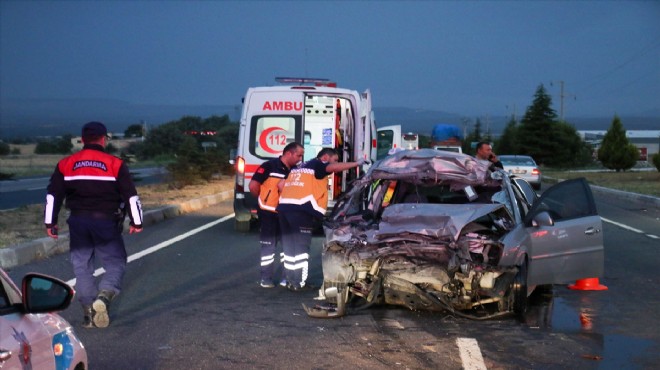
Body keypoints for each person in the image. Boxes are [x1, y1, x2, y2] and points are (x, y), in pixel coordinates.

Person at [44, 121, 143, 329]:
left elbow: (53, 196)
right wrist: (137, 221)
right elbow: (131, 196)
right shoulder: (115, 164)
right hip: (105, 221)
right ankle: (105, 294)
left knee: (82, 267)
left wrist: (50, 222)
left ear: (83, 140)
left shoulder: (66, 164)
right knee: (115, 262)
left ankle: (88, 314)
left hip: (78, 221)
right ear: (103, 139)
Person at [276, 148, 365, 291]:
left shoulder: (299, 167)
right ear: (325, 157)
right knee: (301, 248)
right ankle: (298, 283)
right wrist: (355, 164)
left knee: (289, 247)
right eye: (335, 159)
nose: (335, 163)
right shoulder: (317, 165)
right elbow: (332, 168)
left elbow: (280, 185)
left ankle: (290, 280)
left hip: (284, 209)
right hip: (301, 211)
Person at [248, 142, 304, 288]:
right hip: (269, 213)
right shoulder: (269, 166)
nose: (300, 158)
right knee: (269, 247)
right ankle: (266, 278)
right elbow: (253, 186)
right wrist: (263, 201)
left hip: (287, 214)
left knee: (288, 248)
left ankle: (286, 278)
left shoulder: (296, 170)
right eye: (298, 155)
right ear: (289, 153)